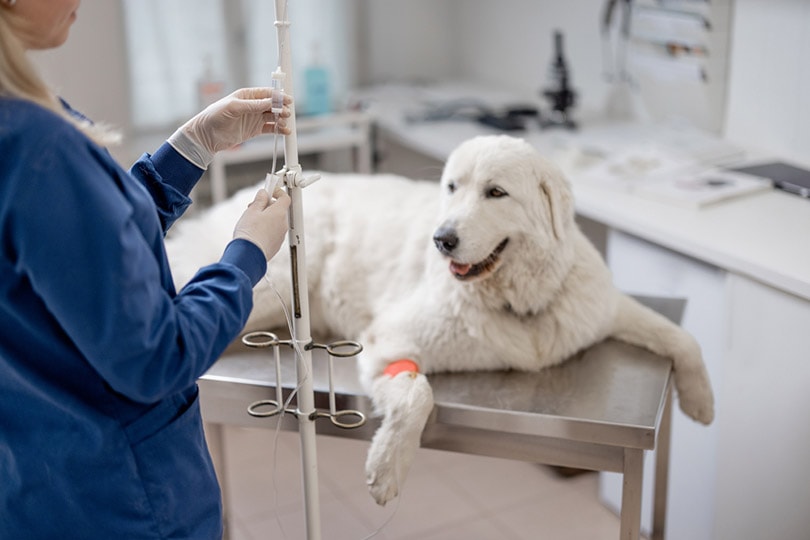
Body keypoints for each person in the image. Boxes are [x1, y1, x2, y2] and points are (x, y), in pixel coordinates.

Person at [0, 1, 293, 537]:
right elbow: (158, 355)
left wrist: (192, 145)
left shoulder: (18, 126)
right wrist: (246, 254)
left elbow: (77, 251)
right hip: (121, 503)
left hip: (37, 489)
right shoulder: (38, 146)